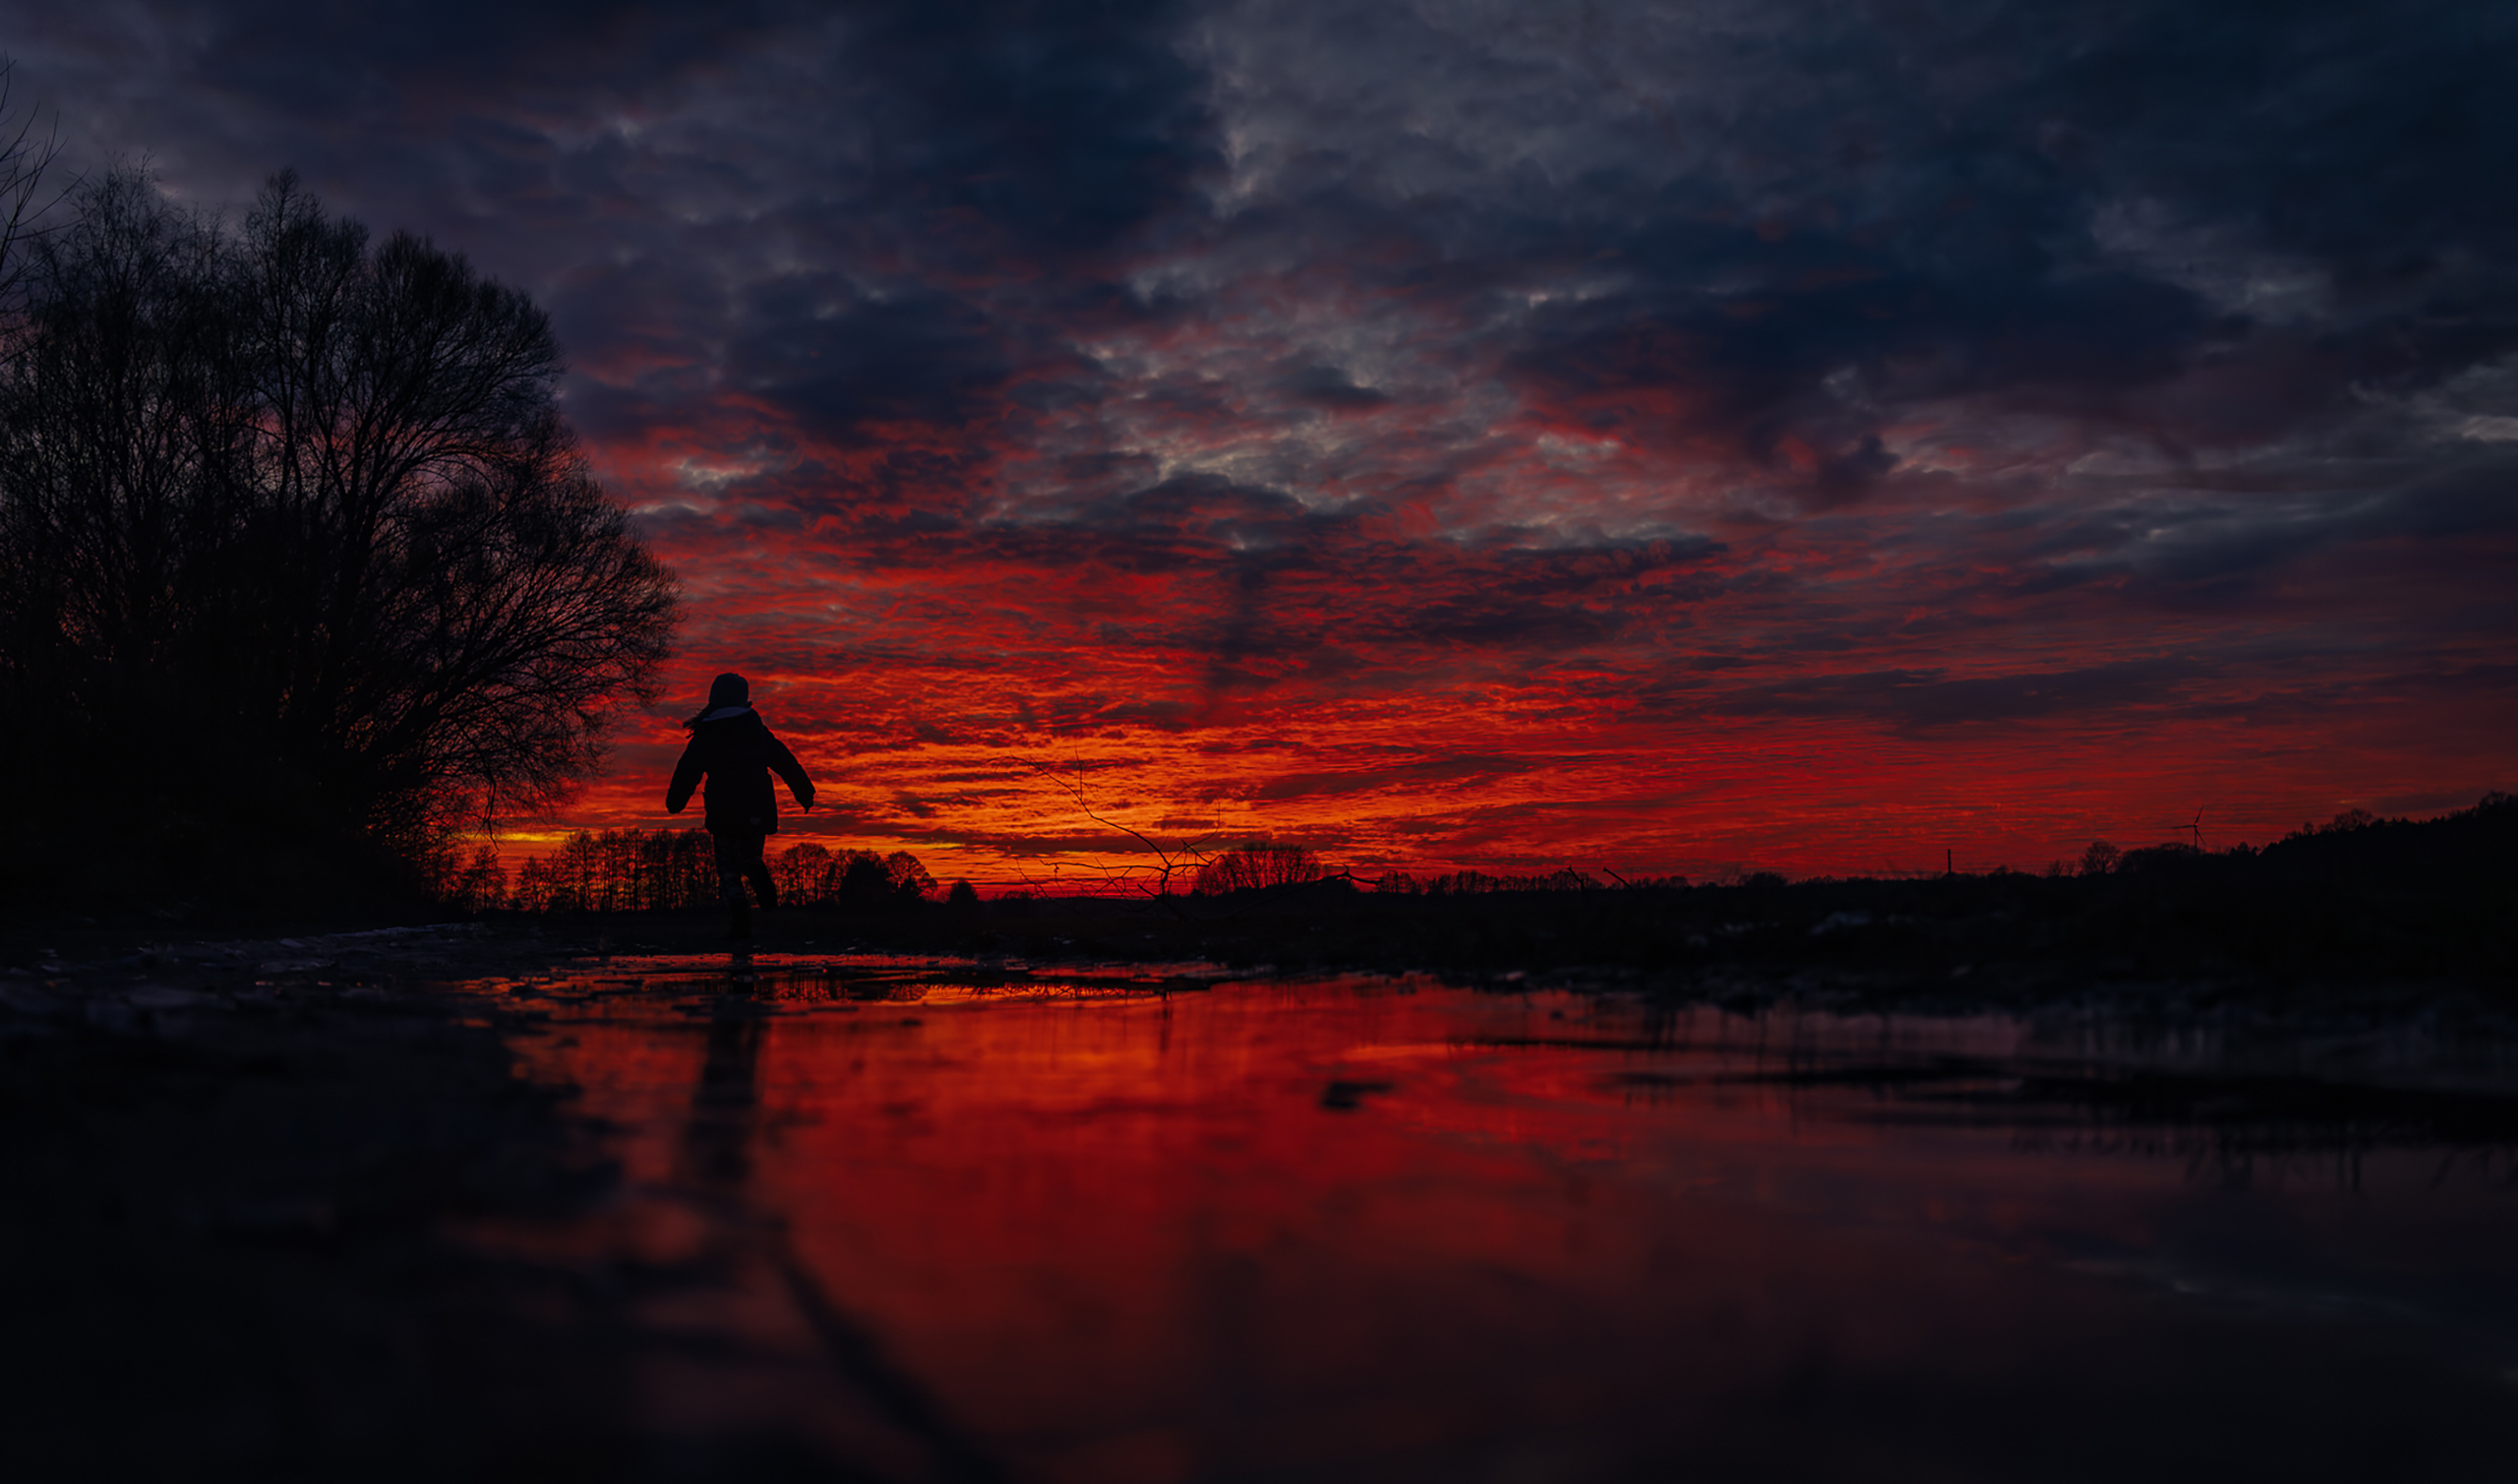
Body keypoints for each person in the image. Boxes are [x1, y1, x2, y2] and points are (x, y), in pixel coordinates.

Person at [666, 673, 815, 938]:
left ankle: (740, 916)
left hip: (724, 809)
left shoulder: (706, 733)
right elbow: (785, 760)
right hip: (758, 808)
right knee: (750, 854)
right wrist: (804, 792)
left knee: (727, 867)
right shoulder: (757, 730)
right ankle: (755, 866)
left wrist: (676, 800)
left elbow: (687, 769)